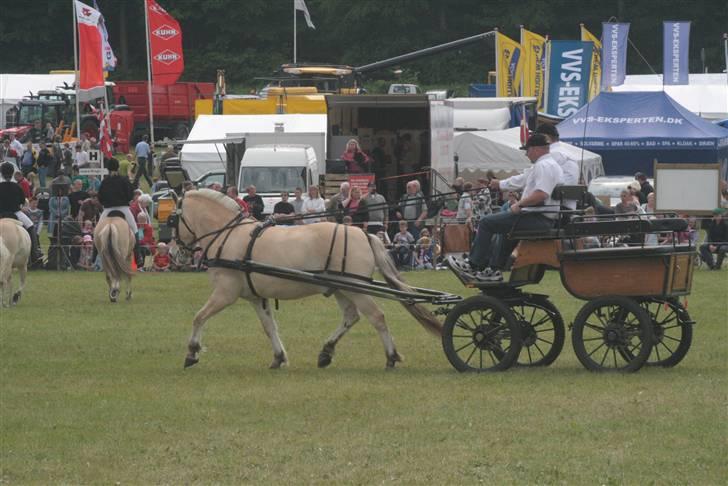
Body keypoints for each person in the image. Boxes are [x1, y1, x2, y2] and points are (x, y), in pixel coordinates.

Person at [450, 134, 563, 282]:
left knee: (486, 222)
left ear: (535, 149)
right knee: (503, 228)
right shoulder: (550, 165)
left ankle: (472, 264)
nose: (526, 154)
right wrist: (500, 184)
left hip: (537, 218)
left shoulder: (544, 166)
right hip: (541, 217)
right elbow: (523, 179)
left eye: (527, 150)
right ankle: (494, 270)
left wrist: (519, 204)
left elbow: (541, 194)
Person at [0, 162, 42, 263]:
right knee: (31, 227)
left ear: (1, 173)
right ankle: (34, 254)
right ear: (12, 173)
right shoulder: (17, 186)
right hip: (16, 213)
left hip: (1, 213)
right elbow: (22, 202)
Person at [97, 158, 138, 234]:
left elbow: (100, 197)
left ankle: (95, 246)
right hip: (123, 208)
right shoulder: (124, 180)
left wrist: (105, 203)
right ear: (118, 168)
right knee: (134, 229)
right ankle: (137, 245)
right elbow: (130, 195)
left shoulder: (104, 181)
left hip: (108, 209)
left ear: (108, 169)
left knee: (97, 230)